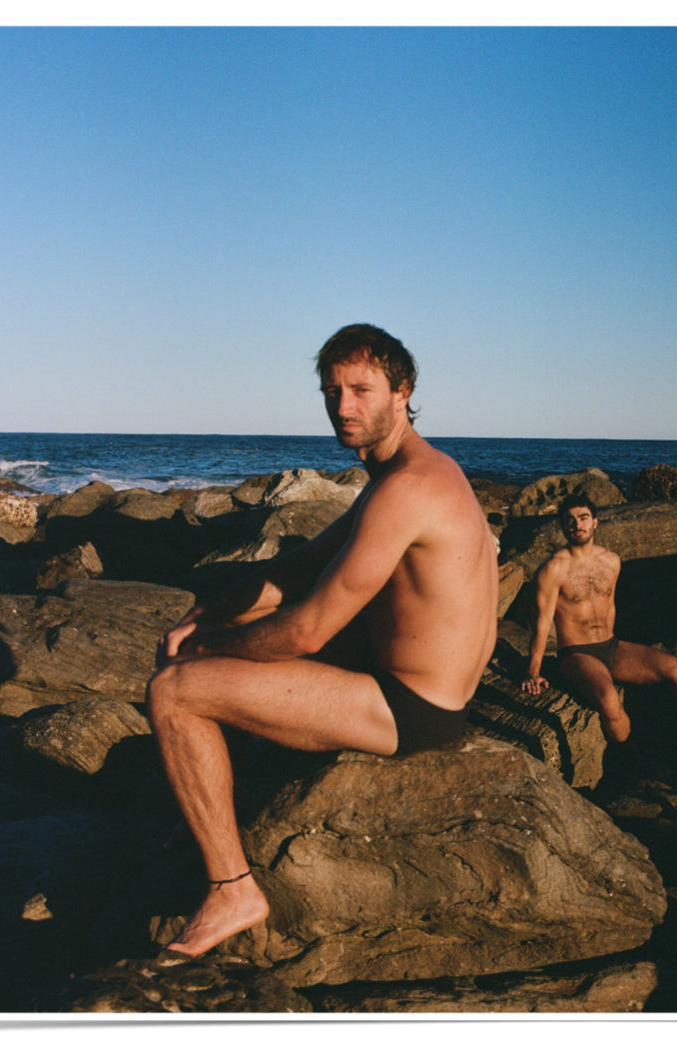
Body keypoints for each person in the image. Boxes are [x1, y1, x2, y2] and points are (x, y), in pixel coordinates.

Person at [146, 323, 499, 957]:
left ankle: (232, 889)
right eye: (331, 391)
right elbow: (297, 569)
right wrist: (206, 616)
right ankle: (202, 811)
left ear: (402, 390)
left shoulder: (408, 489)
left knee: (176, 691)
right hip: (406, 683)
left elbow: (309, 629)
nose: (343, 407)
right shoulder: (407, 475)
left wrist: (205, 651)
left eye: (361, 390)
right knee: (199, 646)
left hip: (412, 708)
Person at [521, 494, 677, 747]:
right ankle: (632, 756)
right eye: (570, 520)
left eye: (583, 518)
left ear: (595, 523)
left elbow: (609, 608)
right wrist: (533, 672)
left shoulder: (611, 561)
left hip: (611, 645)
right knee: (609, 700)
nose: (577, 525)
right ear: (563, 526)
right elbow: (542, 622)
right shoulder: (553, 568)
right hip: (576, 654)